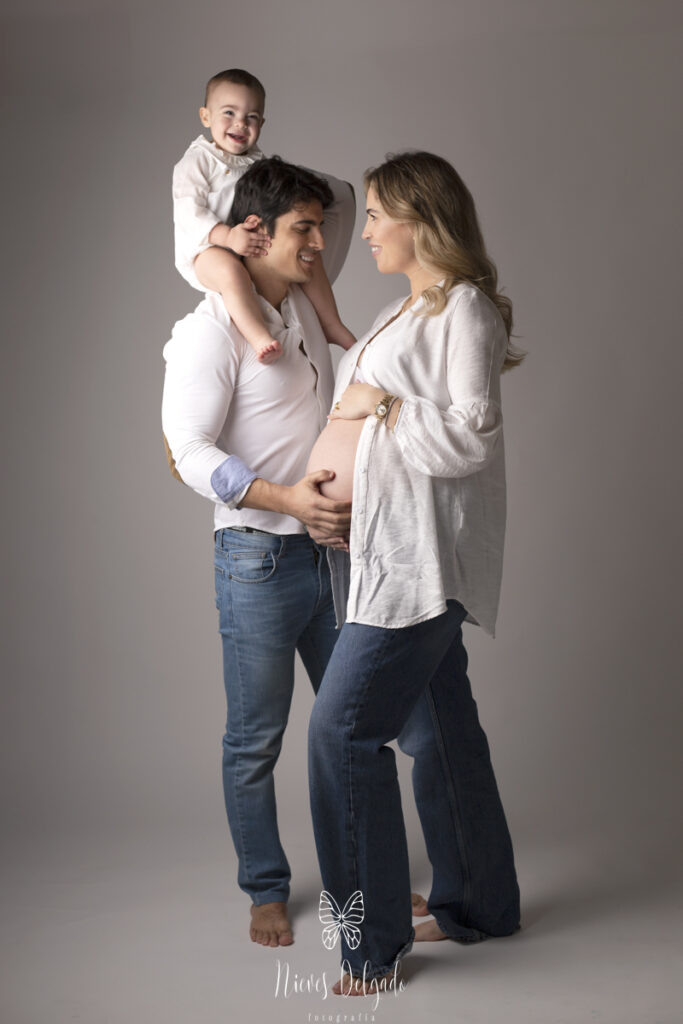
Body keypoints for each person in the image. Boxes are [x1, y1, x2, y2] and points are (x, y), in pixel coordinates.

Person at [307, 151, 524, 994]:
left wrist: (386, 406)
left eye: (373, 215)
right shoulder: (400, 310)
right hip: (380, 550)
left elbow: (472, 436)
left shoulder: (463, 308)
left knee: (341, 733)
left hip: (418, 562)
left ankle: (371, 946)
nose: (362, 231)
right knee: (441, 733)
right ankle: (481, 904)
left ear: (419, 219)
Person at [162, 157, 355, 947]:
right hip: (257, 561)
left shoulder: (302, 306)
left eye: (318, 227)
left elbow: (344, 200)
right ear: (255, 233)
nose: (320, 242)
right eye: (302, 229)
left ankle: (358, 881)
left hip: (331, 552)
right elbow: (185, 453)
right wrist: (284, 500)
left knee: (351, 728)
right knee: (255, 742)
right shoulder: (210, 329)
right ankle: (266, 888)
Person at [173, 67, 355, 363]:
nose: (240, 124)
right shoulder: (197, 162)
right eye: (229, 113)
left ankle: (331, 324)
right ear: (205, 116)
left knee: (313, 257)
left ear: (262, 123)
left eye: (252, 117)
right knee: (231, 272)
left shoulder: (256, 162)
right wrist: (227, 237)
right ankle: (258, 336)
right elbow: (188, 213)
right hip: (207, 250)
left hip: (247, 245)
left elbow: (317, 194)